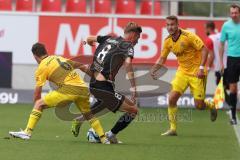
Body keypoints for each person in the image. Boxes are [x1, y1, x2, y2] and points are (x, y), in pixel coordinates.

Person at [9, 43, 109, 144]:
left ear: (35, 56)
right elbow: (82, 66)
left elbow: (38, 90)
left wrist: (37, 104)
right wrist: (97, 78)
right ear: (46, 52)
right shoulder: (59, 58)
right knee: (89, 115)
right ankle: (103, 139)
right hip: (83, 89)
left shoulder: (42, 67)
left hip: (69, 90)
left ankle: (27, 132)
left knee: (39, 104)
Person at [71, 22, 142, 143]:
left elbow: (89, 38)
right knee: (133, 111)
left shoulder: (109, 38)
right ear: (134, 35)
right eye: (138, 38)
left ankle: (79, 120)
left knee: (104, 105)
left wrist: (88, 43)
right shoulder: (127, 45)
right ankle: (110, 135)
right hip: (103, 86)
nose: (137, 42)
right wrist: (134, 88)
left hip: (95, 84)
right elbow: (128, 64)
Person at [150, 15, 217, 136]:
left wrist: (202, 68)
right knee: (171, 98)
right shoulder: (167, 41)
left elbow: (204, 50)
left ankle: (211, 105)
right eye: (168, 25)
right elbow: (162, 58)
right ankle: (173, 129)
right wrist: (154, 70)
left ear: (177, 25)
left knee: (199, 105)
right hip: (182, 72)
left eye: (172, 24)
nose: (170, 27)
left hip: (197, 73)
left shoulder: (188, 36)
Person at [219, 4, 240, 125]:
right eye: (231, 13)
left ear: (239, 13)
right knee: (233, 88)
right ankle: (233, 117)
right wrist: (221, 62)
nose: (233, 15)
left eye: (235, 12)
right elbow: (221, 45)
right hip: (232, 60)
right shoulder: (226, 26)